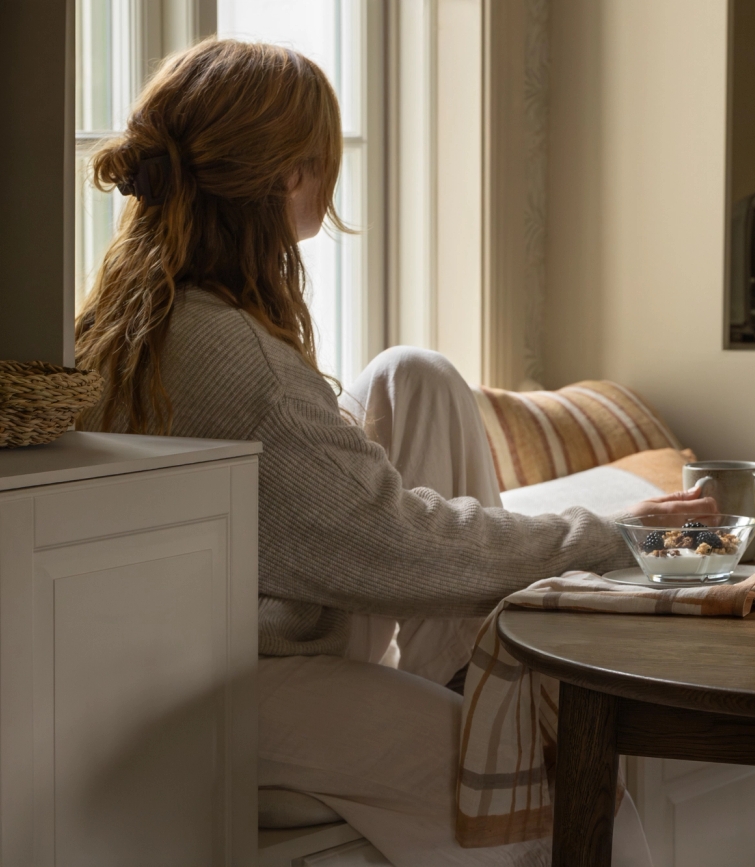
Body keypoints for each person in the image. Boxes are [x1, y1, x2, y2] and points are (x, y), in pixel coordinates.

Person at [76, 38, 712, 866]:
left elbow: (332, 491)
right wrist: (612, 531)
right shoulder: (237, 364)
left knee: (414, 377)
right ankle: (470, 701)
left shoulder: (139, 315)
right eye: (323, 158)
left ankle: (452, 670)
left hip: (203, 650)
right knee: (571, 780)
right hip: (227, 687)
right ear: (289, 176)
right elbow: (398, 539)